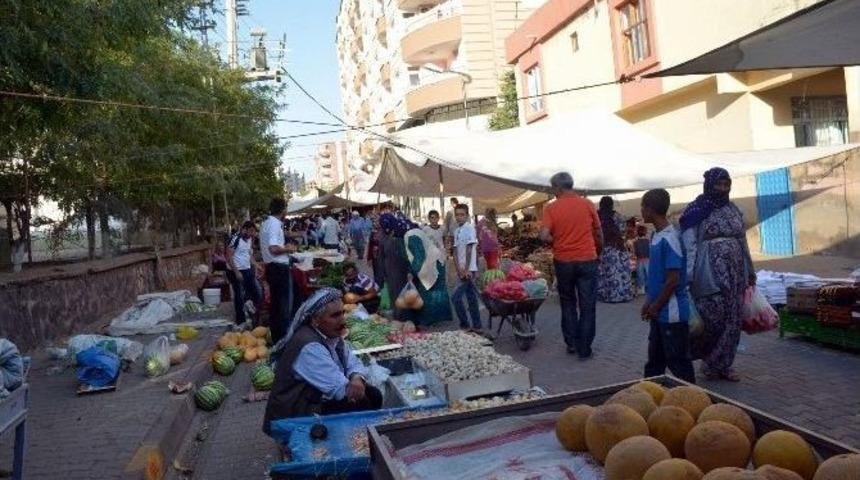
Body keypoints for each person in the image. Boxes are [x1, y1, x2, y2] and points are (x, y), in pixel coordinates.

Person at [263, 288, 382, 434]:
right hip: (296, 413)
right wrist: (357, 389)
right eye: (335, 316)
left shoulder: (331, 335)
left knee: (373, 395)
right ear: (315, 320)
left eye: (343, 313)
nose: (342, 320)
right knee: (360, 403)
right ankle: (362, 439)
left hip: (315, 397)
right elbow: (341, 391)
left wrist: (357, 378)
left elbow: (353, 362)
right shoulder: (309, 347)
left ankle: (364, 434)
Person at [681, 168, 755, 382]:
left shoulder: (733, 209)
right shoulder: (697, 210)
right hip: (708, 271)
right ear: (709, 185)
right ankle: (704, 358)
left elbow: (742, 241)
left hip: (735, 272)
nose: (722, 189)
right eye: (718, 184)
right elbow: (690, 243)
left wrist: (750, 270)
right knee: (713, 316)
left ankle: (722, 365)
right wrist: (688, 276)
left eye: (726, 184)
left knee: (733, 318)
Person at [540, 172, 602, 359]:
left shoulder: (551, 208)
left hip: (564, 261)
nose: (553, 192)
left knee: (568, 303)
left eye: (553, 188)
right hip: (587, 259)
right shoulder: (587, 204)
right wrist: (597, 252)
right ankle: (585, 349)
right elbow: (599, 233)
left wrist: (556, 240)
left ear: (558, 187)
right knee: (588, 305)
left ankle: (572, 344)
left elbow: (543, 235)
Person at [640, 189, 696, 383]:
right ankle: (649, 394)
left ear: (650, 209)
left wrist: (656, 306)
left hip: (671, 314)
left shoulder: (670, 238)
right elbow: (656, 278)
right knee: (655, 362)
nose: (641, 211)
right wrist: (648, 302)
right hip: (659, 312)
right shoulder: (656, 236)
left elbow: (673, 280)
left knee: (678, 362)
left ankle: (693, 397)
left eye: (643, 207)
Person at [261, 198, 298, 344]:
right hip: (279, 268)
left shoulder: (266, 223)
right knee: (283, 307)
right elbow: (273, 248)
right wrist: (288, 249)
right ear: (283, 209)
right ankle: (283, 340)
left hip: (272, 267)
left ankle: (277, 340)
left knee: (276, 306)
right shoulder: (274, 224)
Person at [404, 226, 453, 327]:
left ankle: (428, 320)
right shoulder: (415, 232)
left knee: (428, 292)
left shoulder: (412, 236)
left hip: (432, 264)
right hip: (436, 261)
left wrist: (412, 272)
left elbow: (419, 256)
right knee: (437, 292)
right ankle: (438, 318)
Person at [597, 196, 634, 304]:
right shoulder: (617, 216)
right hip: (617, 247)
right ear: (612, 204)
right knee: (619, 272)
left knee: (606, 272)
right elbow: (623, 231)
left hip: (603, 248)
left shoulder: (597, 216)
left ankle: (607, 296)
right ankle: (622, 295)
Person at [452, 203, 483, 333]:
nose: (459, 217)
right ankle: (477, 326)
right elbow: (454, 251)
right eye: (457, 215)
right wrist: (458, 269)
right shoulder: (456, 230)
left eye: (462, 215)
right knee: (471, 297)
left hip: (468, 270)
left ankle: (465, 325)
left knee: (455, 297)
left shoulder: (469, 228)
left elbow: (470, 249)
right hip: (462, 270)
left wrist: (467, 270)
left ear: (467, 215)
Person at [378, 212, 414, 320]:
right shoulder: (384, 237)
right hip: (392, 269)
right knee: (396, 292)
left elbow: (408, 254)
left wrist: (410, 270)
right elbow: (381, 256)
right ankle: (400, 316)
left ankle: (403, 316)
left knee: (401, 291)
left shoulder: (399, 235)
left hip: (399, 268)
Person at [226, 221, 263, 326]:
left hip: (247, 269)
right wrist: (237, 272)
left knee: (256, 293)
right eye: (250, 231)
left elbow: (249, 255)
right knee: (239, 295)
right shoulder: (235, 238)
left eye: (253, 232)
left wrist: (256, 265)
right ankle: (240, 321)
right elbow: (229, 257)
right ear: (244, 229)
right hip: (235, 271)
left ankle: (252, 315)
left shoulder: (249, 239)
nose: (252, 234)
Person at [633, 225, 651, 296]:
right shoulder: (648, 241)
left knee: (640, 274)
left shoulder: (635, 242)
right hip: (647, 259)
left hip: (639, 259)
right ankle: (649, 287)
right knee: (648, 273)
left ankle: (642, 287)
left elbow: (635, 252)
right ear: (645, 232)